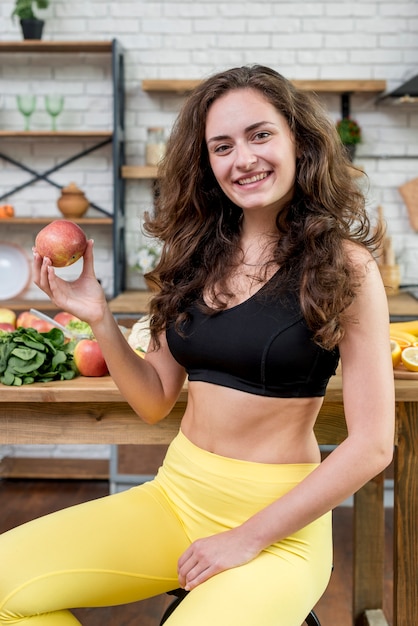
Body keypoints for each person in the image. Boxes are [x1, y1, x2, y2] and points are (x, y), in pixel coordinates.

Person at [0, 65, 394, 626]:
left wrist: (245, 538)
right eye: (222, 146)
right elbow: (155, 398)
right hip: (176, 496)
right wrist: (99, 317)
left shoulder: (344, 266)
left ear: (298, 140)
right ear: (207, 163)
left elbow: (374, 446)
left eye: (261, 135)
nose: (244, 159)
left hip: (279, 527)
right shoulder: (191, 257)